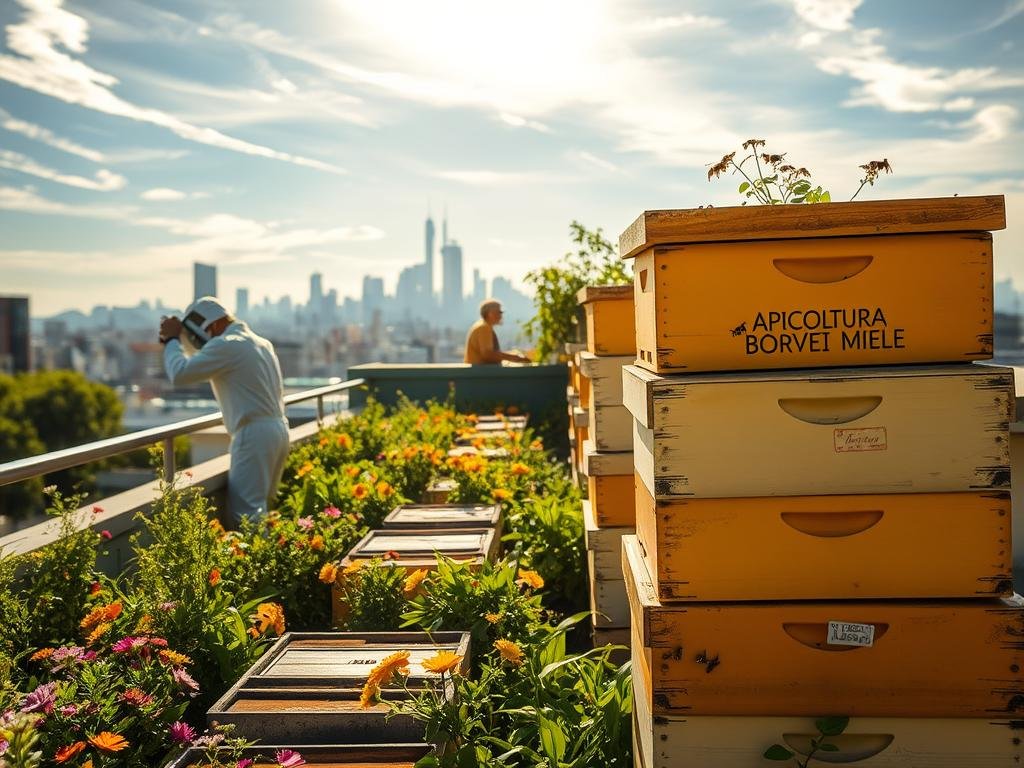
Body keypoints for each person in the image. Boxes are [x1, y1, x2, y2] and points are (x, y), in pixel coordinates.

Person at [159, 296, 289, 526]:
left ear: (212, 325)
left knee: (246, 516)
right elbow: (202, 355)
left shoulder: (227, 345)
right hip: (278, 429)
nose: (199, 343)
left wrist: (171, 340)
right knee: (263, 509)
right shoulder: (259, 343)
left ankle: (255, 562)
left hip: (252, 434)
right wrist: (181, 336)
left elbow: (180, 374)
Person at [464, 299, 531, 365]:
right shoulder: (484, 328)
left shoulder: (482, 326)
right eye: (499, 312)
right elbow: (487, 354)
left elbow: (489, 353)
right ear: (490, 313)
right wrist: (513, 357)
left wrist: (512, 354)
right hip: (481, 373)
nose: (501, 315)